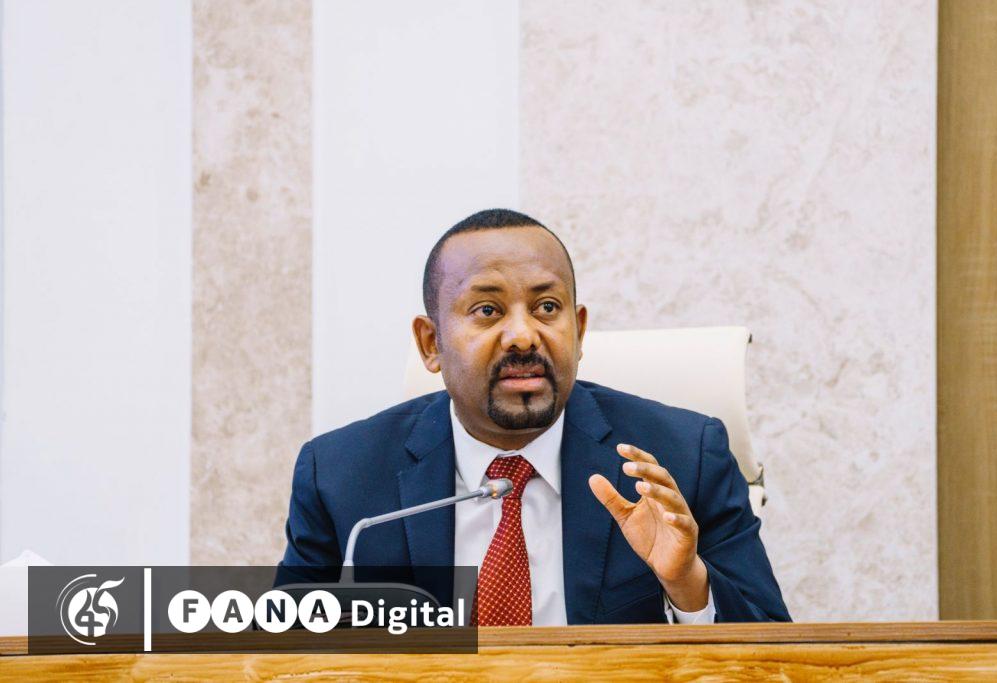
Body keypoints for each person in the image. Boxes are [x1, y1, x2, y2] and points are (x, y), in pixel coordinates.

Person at [275, 209, 790, 624]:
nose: (523, 336)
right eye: (487, 311)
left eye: (546, 307)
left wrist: (687, 583)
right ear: (431, 344)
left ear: (579, 331)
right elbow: (277, 657)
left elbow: (774, 655)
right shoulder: (342, 479)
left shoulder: (683, 458)